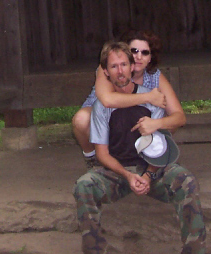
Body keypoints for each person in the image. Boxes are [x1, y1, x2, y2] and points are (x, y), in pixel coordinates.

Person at [73, 41, 207, 254]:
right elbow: (101, 154)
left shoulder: (151, 99)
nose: (120, 71)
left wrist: (146, 175)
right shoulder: (102, 105)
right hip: (117, 171)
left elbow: (161, 147)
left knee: (187, 180)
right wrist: (126, 175)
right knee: (84, 185)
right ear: (106, 72)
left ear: (131, 65)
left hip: (152, 170)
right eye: (114, 66)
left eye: (124, 64)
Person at [71, 30, 170, 168]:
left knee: (162, 118)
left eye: (145, 52)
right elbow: (106, 100)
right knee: (81, 120)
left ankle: (153, 155)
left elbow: (178, 116)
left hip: (135, 123)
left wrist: (159, 123)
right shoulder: (109, 67)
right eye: (134, 51)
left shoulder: (155, 75)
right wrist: (148, 97)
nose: (138, 56)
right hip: (104, 112)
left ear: (150, 57)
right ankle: (93, 158)